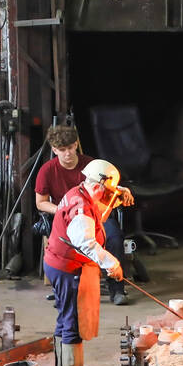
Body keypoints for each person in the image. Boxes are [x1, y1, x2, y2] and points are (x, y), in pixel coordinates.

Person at [43, 159, 130, 366]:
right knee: (72, 318)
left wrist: (116, 195)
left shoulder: (79, 192)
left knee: (65, 316)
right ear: (99, 186)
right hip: (67, 268)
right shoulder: (81, 209)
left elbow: (98, 215)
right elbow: (87, 244)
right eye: (107, 192)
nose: (106, 197)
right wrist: (112, 265)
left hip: (58, 264)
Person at [35, 124, 131, 305]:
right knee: (70, 243)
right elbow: (40, 203)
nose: (68, 153)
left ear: (76, 144)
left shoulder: (91, 165)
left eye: (71, 148)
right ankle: (67, 288)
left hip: (96, 214)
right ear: (54, 150)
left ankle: (117, 288)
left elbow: (106, 186)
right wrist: (65, 210)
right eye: (62, 150)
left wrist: (121, 189)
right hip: (66, 219)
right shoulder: (47, 171)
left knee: (114, 236)